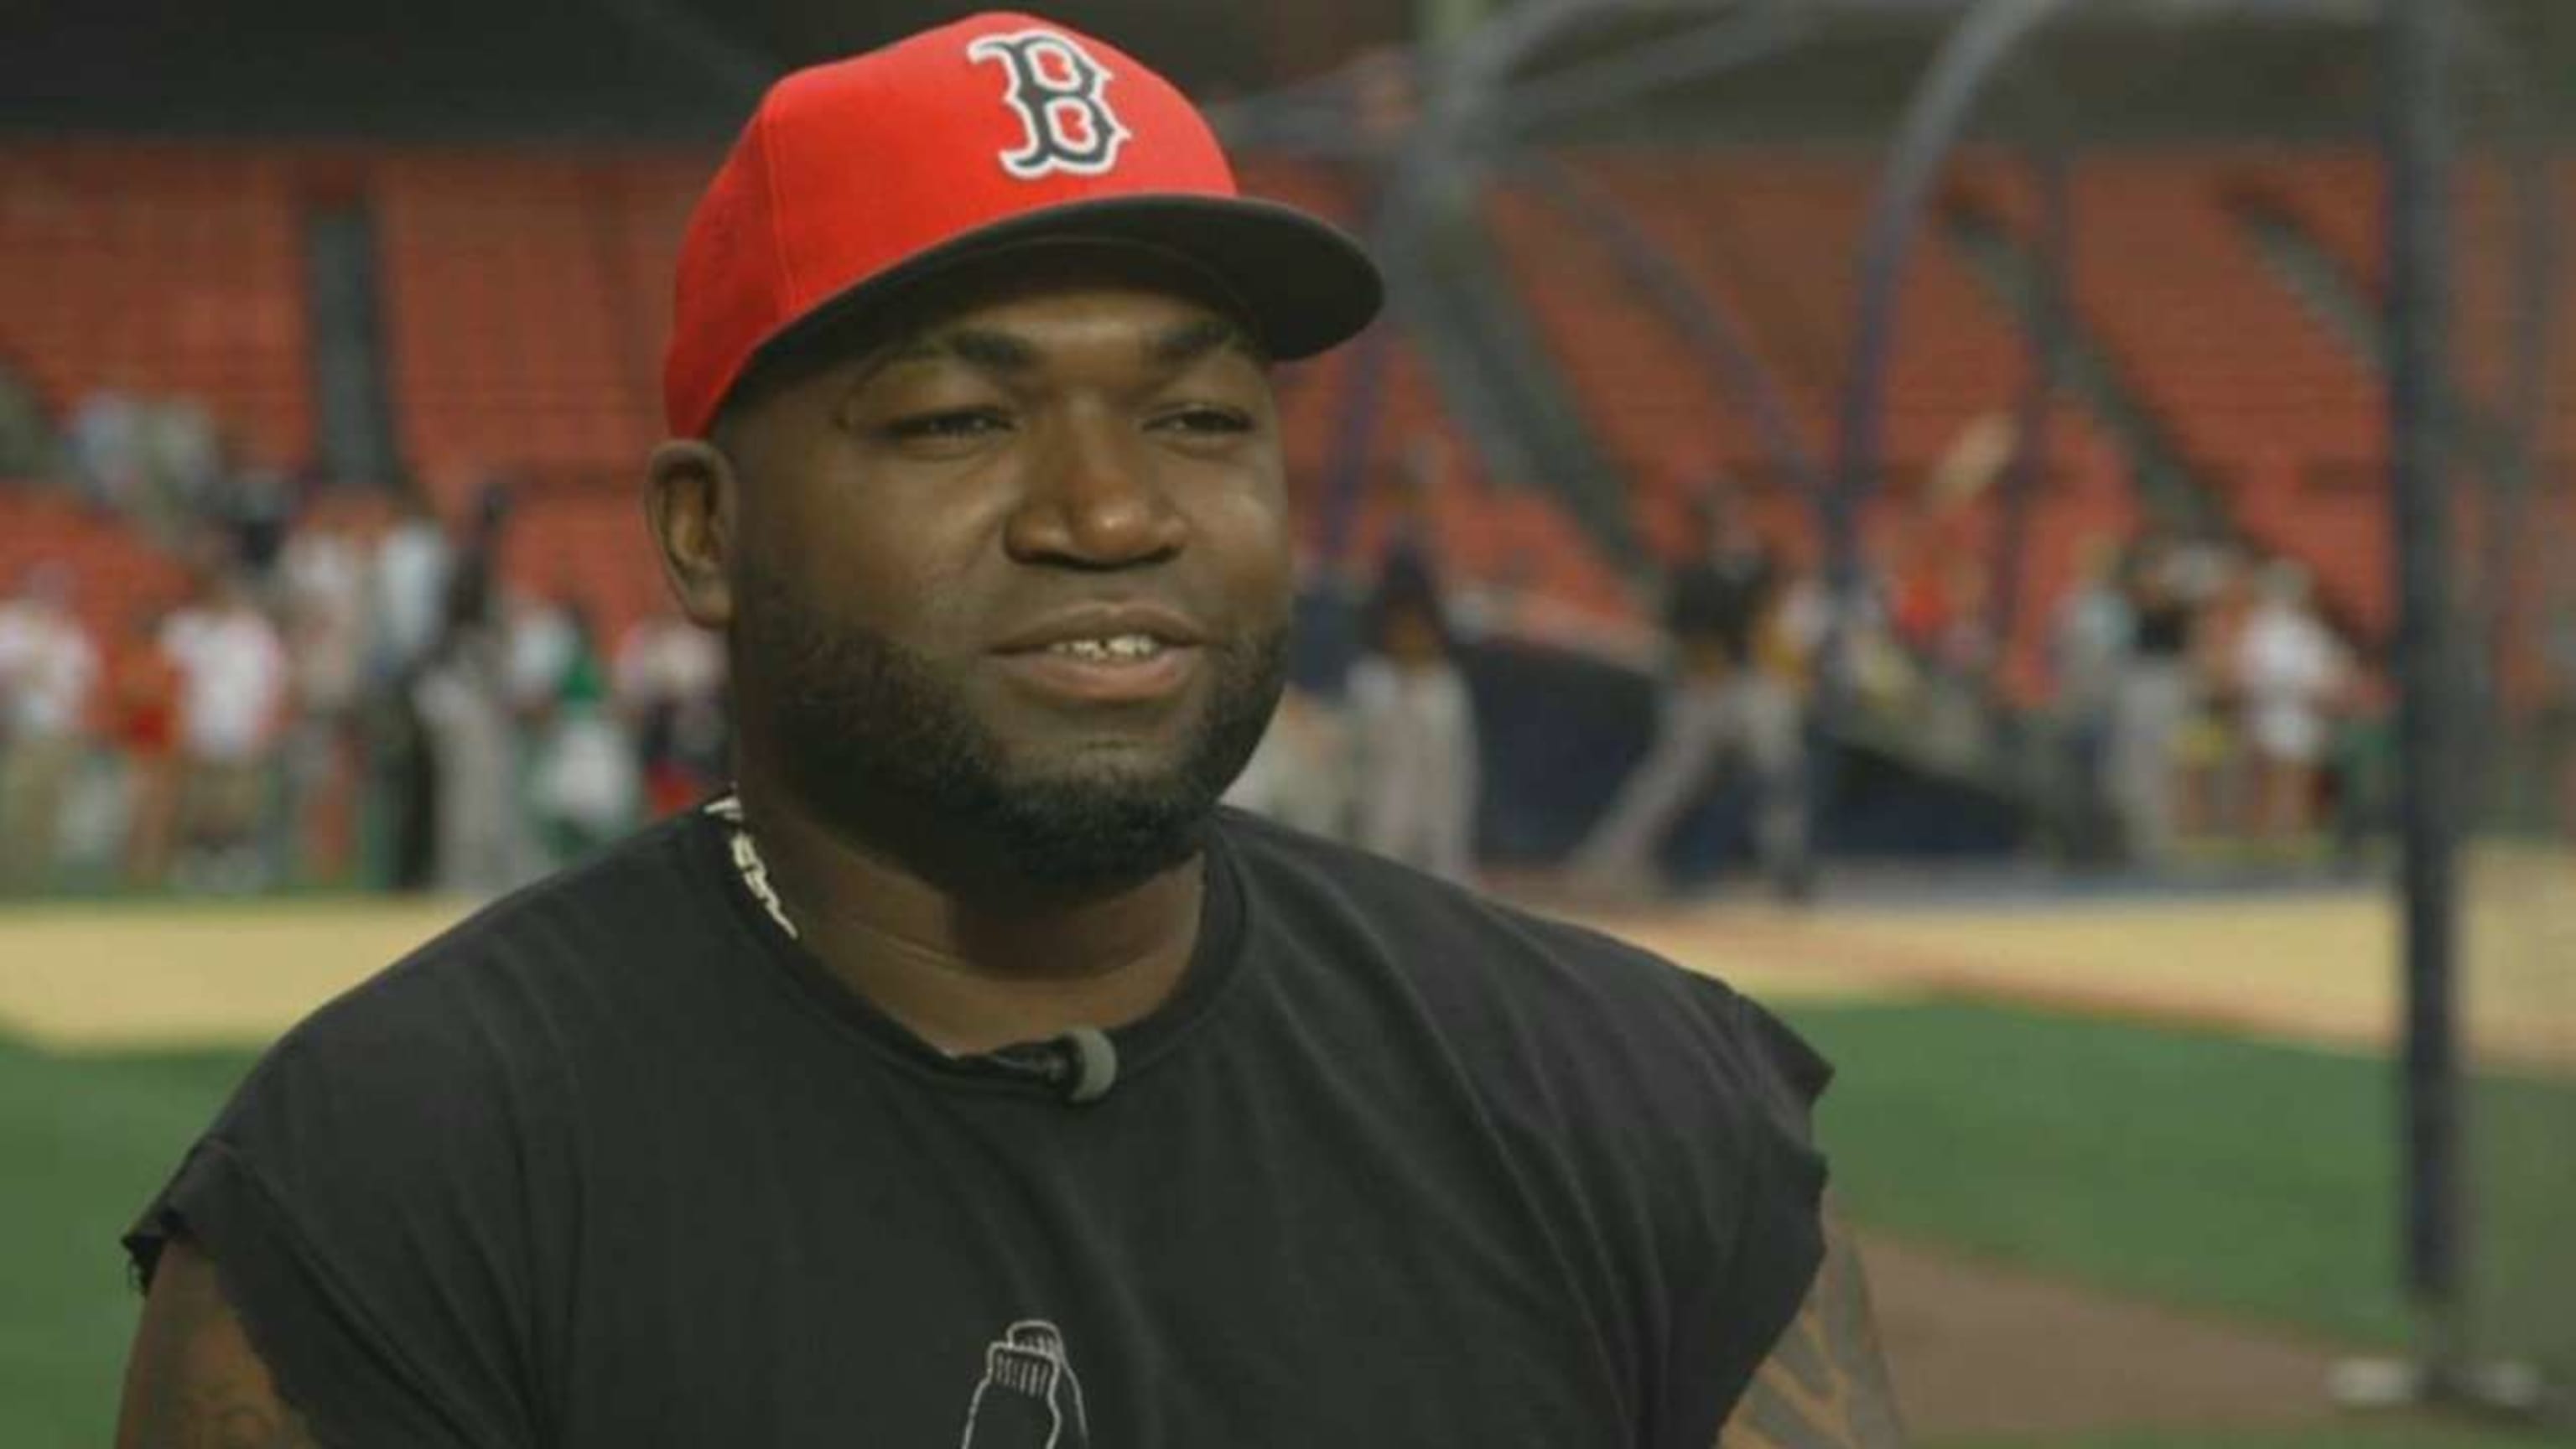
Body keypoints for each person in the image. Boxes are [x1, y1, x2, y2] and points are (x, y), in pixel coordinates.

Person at [116, 17, 1900, 1448]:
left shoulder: (1639, 1105)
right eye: (963, 420)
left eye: (1201, 414)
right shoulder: (405, 1182)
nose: (1111, 511)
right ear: (707, 531)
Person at [1575, 496, 1812, 900]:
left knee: (1778, 771)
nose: (1725, 530)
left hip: (1746, 685)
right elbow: (1684, 635)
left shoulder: (1746, 568)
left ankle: (1788, 865)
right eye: (1715, 523)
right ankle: (1607, 862)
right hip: (1698, 691)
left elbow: (1769, 595)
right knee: (1670, 779)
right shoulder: (1687, 576)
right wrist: (1704, 662)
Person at [1345, 568, 1479, 882]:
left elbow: (1459, 769)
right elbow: (1355, 758)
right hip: (1378, 824)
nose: (1411, 638)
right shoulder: (1370, 683)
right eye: (1402, 629)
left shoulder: (1447, 690)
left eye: (1419, 629)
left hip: (1437, 832)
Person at [160, 566, 288, 892]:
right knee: (199, 799)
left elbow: (273, 682)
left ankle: (236, 859)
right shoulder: (186, 629)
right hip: (199, 725)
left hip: (241, 726)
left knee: (239, 800)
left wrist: (266, 721)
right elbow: (170, 677)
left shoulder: (256, 634)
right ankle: (196, 859)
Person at [0, 564, 99, 893]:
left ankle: (34, 877)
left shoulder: (70, 634)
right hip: (18, 732)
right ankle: (9, 872)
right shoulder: (10, 624)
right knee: (14, 803)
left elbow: (84, 683)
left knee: (48, 807)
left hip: (59, 732)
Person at [2233, 559, 2344, 841]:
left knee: (2298, 777)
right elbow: (2252, 671)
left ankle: (2291, 831)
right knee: (2270, 777)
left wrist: (2320, 688)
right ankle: (2267, 834)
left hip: (2304, 713)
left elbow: (2327, 670)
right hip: (2271, 712)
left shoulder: (2309, 629)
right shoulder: (2262, 627)